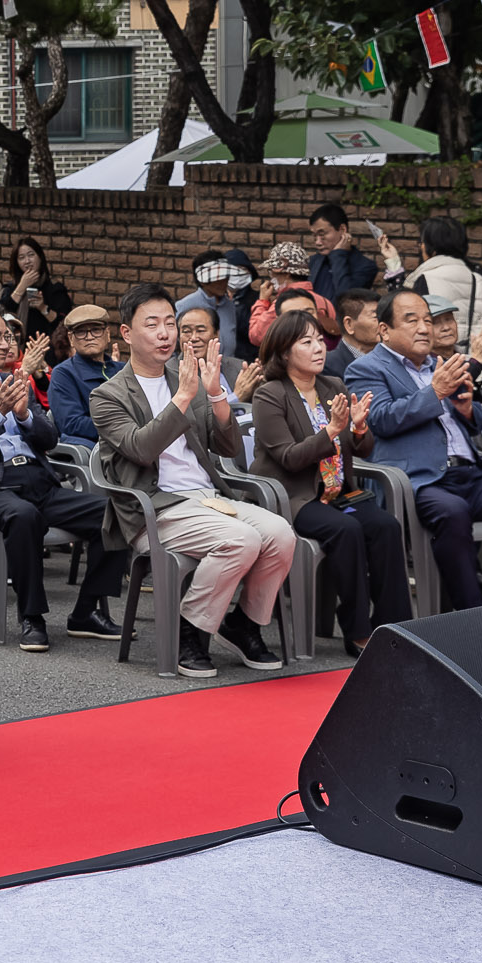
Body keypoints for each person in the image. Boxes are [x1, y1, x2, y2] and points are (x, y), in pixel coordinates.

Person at [90, 286, 291, 677]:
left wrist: (216, 395)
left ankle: (243, 624)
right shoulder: (108, 395)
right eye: (153, 325)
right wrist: (182, 396)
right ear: (127, 334)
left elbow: (228, 445)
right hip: (155, 507)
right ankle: (190, 632)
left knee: (281, 533)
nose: (166, 334)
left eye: (171, 324)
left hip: (207, 499)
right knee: (242, 539)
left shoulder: (189, 378)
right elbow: (141, 449)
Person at [0, 302, 126, 654]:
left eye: (7, 336)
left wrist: (23, 417)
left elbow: (50, 438)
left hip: (38, 479)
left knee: (115, 513)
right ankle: (31, 616)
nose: (6, 344)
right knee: (23, 516)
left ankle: (84, 612)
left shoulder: (13, 380)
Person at [353, 289, 482, 610]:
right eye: (412, 320)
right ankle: (471, 614)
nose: (424, 328)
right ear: (384, 330)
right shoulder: (367, 368)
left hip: (469, 474)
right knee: (453, 512)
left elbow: (473, 419)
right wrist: (434, 392)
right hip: (419, 481)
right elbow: (381, 420)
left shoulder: (440, 364)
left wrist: (464, 410)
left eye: (427, 321)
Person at [245, 309, 408, 654]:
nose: (319, 347)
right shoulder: (270, 395)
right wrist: (332, 430)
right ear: (285, 352)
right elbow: (289, 457)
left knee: (385, 526)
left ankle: (394, 626)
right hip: (294, 497)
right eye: (307, 342)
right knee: (346, 531)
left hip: (339, 493)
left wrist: (359, 429)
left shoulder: (332, 386)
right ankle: (356, 630)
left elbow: (359, 448)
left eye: (320, 339)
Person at [405, 216, 482, 343]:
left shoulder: (426, 279)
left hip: (442, 361)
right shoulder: (480, 280)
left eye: (422, 242)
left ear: (432, 248)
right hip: (478, 360)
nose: (421, 247)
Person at [45, 304, 120, 449]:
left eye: (96, 330)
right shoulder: (64, 373)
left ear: (108, 334)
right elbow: (71, 424)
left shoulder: (122, 369)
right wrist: (120, 427)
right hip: (97, 450)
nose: (89, 337)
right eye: (81, 332)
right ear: (71, 339)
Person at [245, 243, 333, 347]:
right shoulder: (325, 301)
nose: (271, 277)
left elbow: (256, 336)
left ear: (286, 274)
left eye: (272, 272)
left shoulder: (284, 304)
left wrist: (262, 301)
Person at [0, 238, 74, 347]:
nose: (27, 261)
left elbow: (64, 323)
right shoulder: (11, 287)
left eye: (31, 255)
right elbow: (0, 313)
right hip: (15, 348)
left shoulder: (55, 288)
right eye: (21, 258)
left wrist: (43, 308)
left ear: (40, 257)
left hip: (47, 348)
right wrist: (22, 286)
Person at [306, 203, 379, 302]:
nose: (318, 242)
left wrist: (338, 255)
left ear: (342, 230)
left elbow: (346, 299)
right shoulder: (313, 262)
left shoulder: (365, 266)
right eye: (315, 236)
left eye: (322, 234)